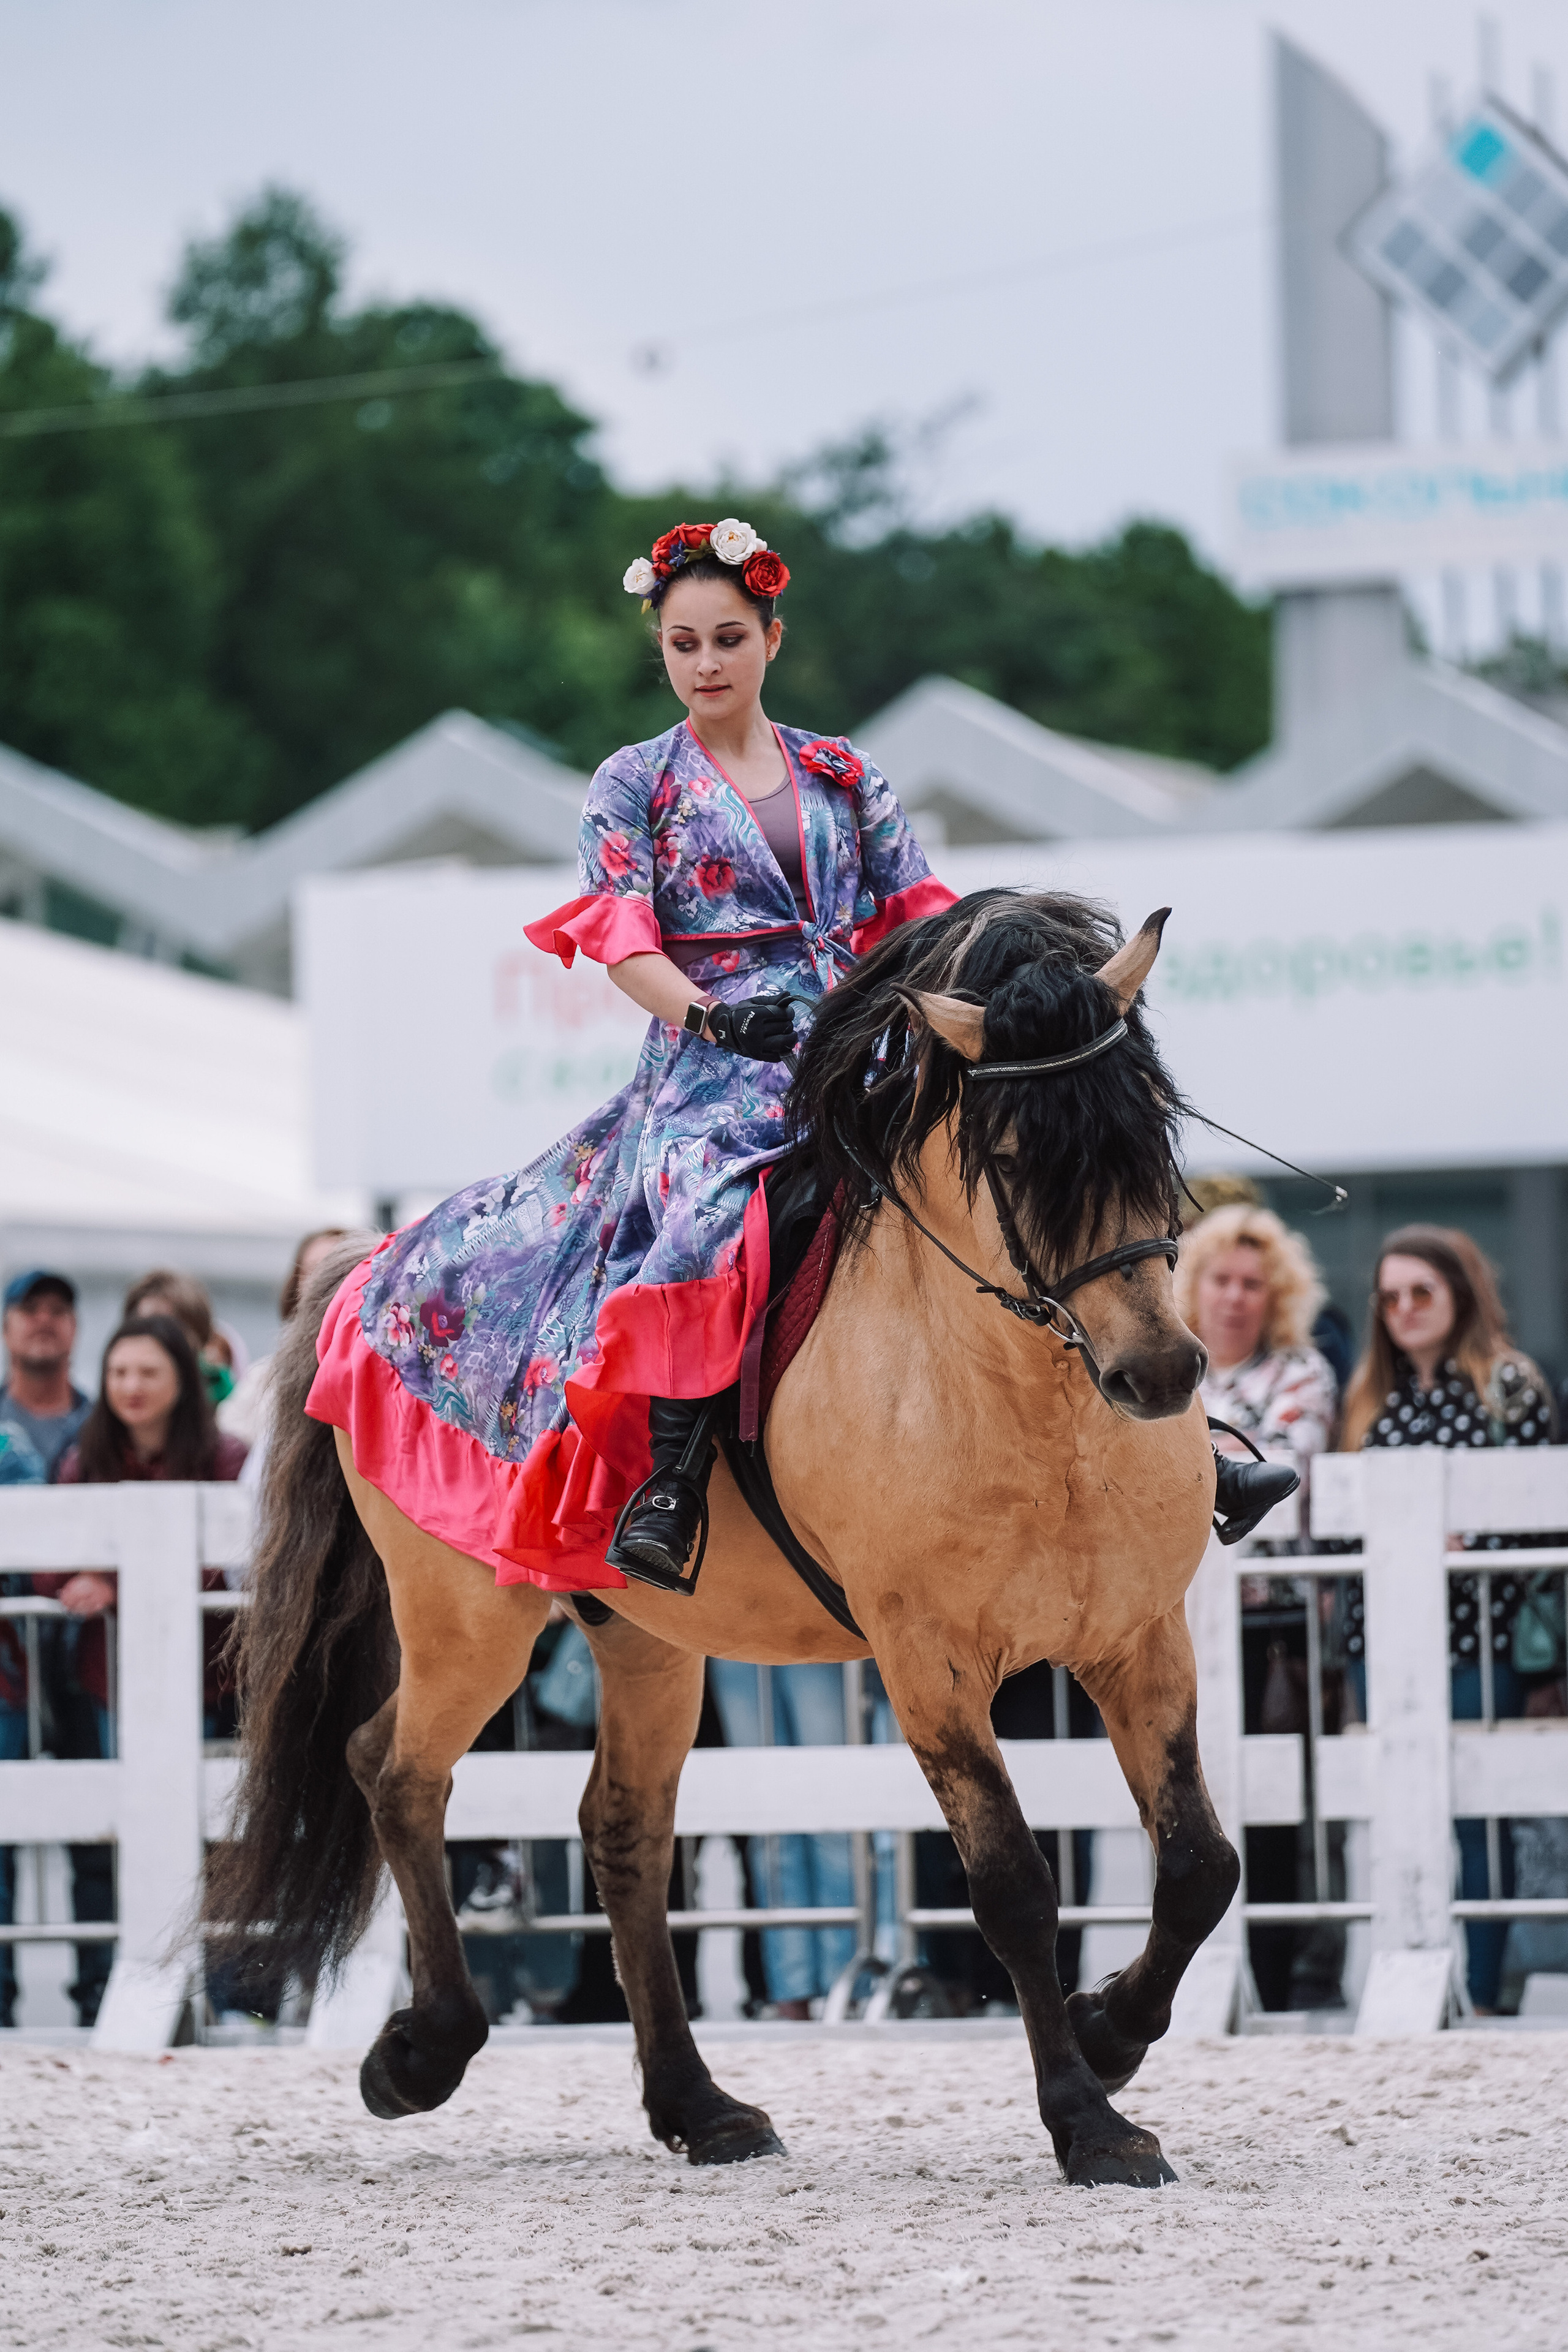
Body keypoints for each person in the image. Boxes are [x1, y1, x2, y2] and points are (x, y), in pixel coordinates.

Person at [307, 516, 1288, 1597]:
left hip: (868, 1040)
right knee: (708, 1218)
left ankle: (1194, 1448)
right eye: (683, 645)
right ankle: (672, 1485)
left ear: (773, 637)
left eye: (728, 638)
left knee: (1037, 1171)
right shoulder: (632, 784)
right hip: (711, 1073)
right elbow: (622, 935)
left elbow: (920, 910)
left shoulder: (841, 771)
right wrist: (712, 1018)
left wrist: (998, 1003)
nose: (706, 664)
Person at [1341, 1224, 1558, 2011]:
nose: (1403, 1309)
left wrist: (1465, 1536)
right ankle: (1409, 1966)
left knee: (1479, 1812)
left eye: (1420, 1292)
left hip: (1483, 1636)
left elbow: (1541, 1519)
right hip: (1381, 1638)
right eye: (1389, 1297)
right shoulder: (1369, 1396)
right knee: (1396, 1805)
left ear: (1460, 1295)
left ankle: (1483, 1984)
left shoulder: (1509, 1384)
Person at [36, 1314, 248, 2024]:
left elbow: (238, 1555)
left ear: (180, 1382)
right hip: (113, 1683)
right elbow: (44, 1563)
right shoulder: (84, 1458)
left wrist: (120, 1581)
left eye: (148, 1372)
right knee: (113, 1837)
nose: (130, 1387)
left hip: (219, 1680)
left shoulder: (227, 1456)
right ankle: (108, 1988)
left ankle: (228, 1995)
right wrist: (89, 1578)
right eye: (119, 1373)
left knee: (225, 1836)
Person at [1177, 1204, 1338, 1490]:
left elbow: (1284, 1468)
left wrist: (1180, 1458)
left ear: (1277, 1298)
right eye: (1221, 1280)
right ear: (1194, 1287)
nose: (1235, 1296)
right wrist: (1247, 1443)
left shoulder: (1302, 1371)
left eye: (1251, 1284)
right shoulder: (1171, 1371)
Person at [218, 1227, 352, 1455]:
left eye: (339, 1272)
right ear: (296, 1286)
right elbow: (227, 1438)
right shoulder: (264, 1378)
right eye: (313, 1271)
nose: (325, 1283)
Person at [0, 1269, 91, 1478]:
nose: (44, 1320)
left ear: (75, 1328)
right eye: (29, 1309)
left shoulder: (104, 1427)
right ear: (5, 1329)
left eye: (57, 1311)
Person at [122, 1269, 237, 1410]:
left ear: (200, 1340)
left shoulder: (233, 1411)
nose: (153, 1343)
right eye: (143, 1330)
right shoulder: (115, 1410)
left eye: (169, 1332)